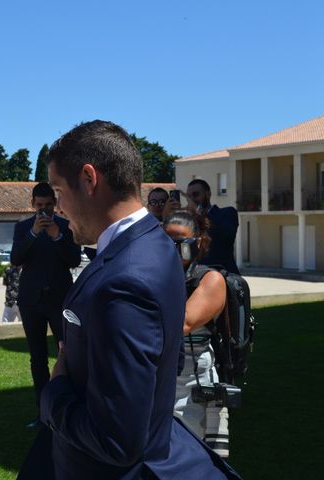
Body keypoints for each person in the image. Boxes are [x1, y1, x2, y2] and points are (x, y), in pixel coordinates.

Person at [22, 120, 239, 479]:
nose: (57, 208)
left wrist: (54, 390)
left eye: (59, 191)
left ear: (89, 180)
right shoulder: (154, 242)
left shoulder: (125, 279)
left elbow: (118, 440)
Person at [10, 182, 81, 426]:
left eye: (48, 205)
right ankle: (43, 412)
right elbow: (15, 259)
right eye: (39, 206)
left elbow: (73, 260)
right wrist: (32, 234)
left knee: (68, 353)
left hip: (61, 300)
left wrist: (57, 237)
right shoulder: (22, 228)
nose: (44, 211)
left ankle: (71, 407)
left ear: (55, 204)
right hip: (31, 301)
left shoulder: (66, 226)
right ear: (32, 204)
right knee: (37, 358)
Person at [164, 210, 230, 458]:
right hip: (162, 376)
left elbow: (183, 322)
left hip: (193, 382)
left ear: (198, 242)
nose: (172, 248)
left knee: (190, 453)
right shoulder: (161, 274)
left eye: (181, 242)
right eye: (166, 241)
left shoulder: (210, 280)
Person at [186, 179, 240, 274]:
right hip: (198, 277)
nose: (192, 200)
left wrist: (199, 215)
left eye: (196, 195)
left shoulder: (227, 212)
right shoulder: (189, 220)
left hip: (223, 275)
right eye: (189, 197)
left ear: (208, 194)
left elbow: (227, 235)